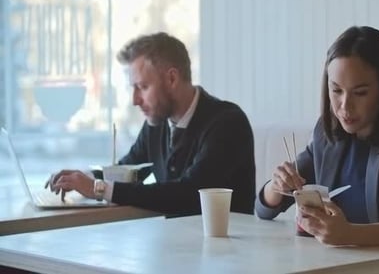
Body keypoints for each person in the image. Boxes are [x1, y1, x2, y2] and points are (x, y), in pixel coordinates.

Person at [255, 26, 379, 246]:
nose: (345, 106)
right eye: (336, 91)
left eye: (360, 93)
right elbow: (264, 209)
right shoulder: (326, 133)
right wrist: (276, 185)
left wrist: (351, 235)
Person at [46, 32, 256, 215]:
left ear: (172, 79)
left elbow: (190, 194)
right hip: (175, 249)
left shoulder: (228, 123)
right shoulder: (157, 123)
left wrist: (98, 188)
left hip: (224, 256)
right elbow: (129, 171)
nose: (135, 100)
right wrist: (82, 178)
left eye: (143, 87)